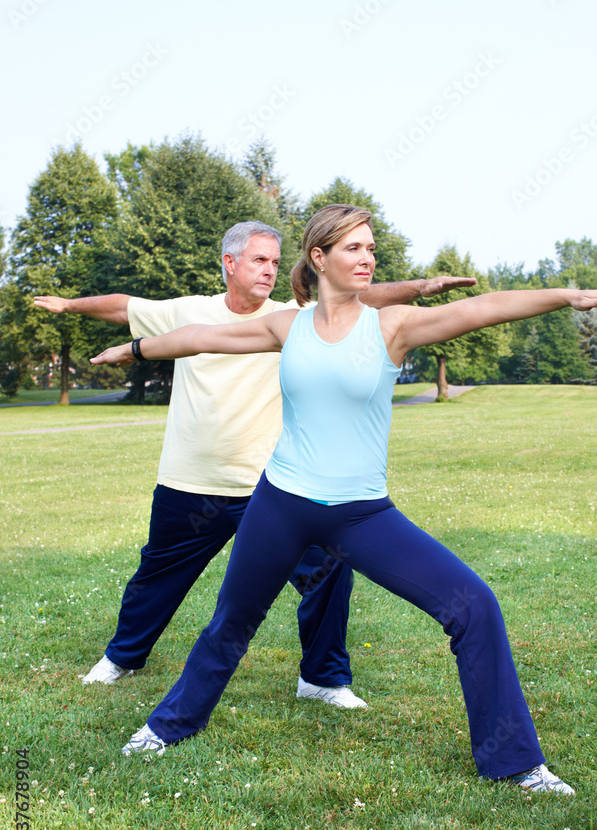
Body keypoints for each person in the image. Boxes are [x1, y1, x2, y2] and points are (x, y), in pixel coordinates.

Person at [91, 203, 597, 791]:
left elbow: (483, 308)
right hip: (280, 504)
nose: (368, 257)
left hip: (360, 513)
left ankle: (516, 762)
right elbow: (204, 337)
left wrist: (565, 296)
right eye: (353, 248)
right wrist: (137, 350)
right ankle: (170, 725)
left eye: (371, 248)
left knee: (474, 605)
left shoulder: (393, 324)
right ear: (319, 258)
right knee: (231, 622)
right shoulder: (288, 325)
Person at [35, 220, 474, 708]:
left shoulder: (294, 315)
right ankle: (123, 656)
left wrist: (421, 288)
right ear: (230, 263)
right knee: (157, 575)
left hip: (274, 493)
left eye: (274, 260)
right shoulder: (187, 311)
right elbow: (123, 307)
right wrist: (69, 306)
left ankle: (323, 678)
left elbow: (360, 295)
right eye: (259, 260)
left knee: (328, 575)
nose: (270, 270)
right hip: (191, 481)